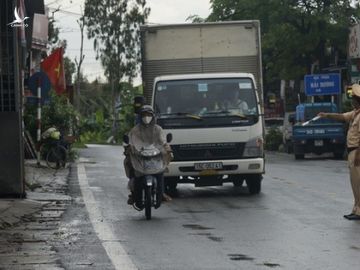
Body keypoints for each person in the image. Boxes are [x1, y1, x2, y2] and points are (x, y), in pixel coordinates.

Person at [318, 83, 360, 220]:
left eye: (354, 99)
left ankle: (359, 211)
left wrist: (359, 155)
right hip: (352, 152)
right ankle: (356, 209)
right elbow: (341, 117)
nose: (352, 101)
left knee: (358, 183)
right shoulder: (355, 114)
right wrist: (326, 115)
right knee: (355, 183)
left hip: (357, 152)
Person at [124, 105, 173, 205]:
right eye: (144, 115)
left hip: (155, 155)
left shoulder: (158, 129)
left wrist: (167, 148)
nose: (146, 117)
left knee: (161, 172)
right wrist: (128, 148)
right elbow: (130, 141)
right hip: (140, 156)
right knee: (128, 163)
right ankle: (133, 193)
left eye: (149, 114)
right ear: (140, 117)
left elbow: (163, 141)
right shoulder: (135, 130)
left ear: (153, 116)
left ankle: (161, 192)